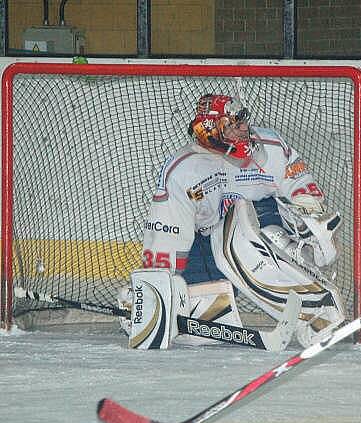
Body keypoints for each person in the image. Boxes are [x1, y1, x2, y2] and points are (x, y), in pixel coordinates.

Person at [122, 93, 344, 349]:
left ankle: (316, 314)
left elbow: (300, 187)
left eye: (242, 122)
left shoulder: (269, 146)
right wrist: (151, 293)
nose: (243, 130)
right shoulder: (183, 171)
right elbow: (167, 235)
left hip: (265, 227)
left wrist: (313, 223)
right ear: (210, 131)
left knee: (250, 223)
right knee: (204, 324)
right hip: (204, 245)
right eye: (233, 125)